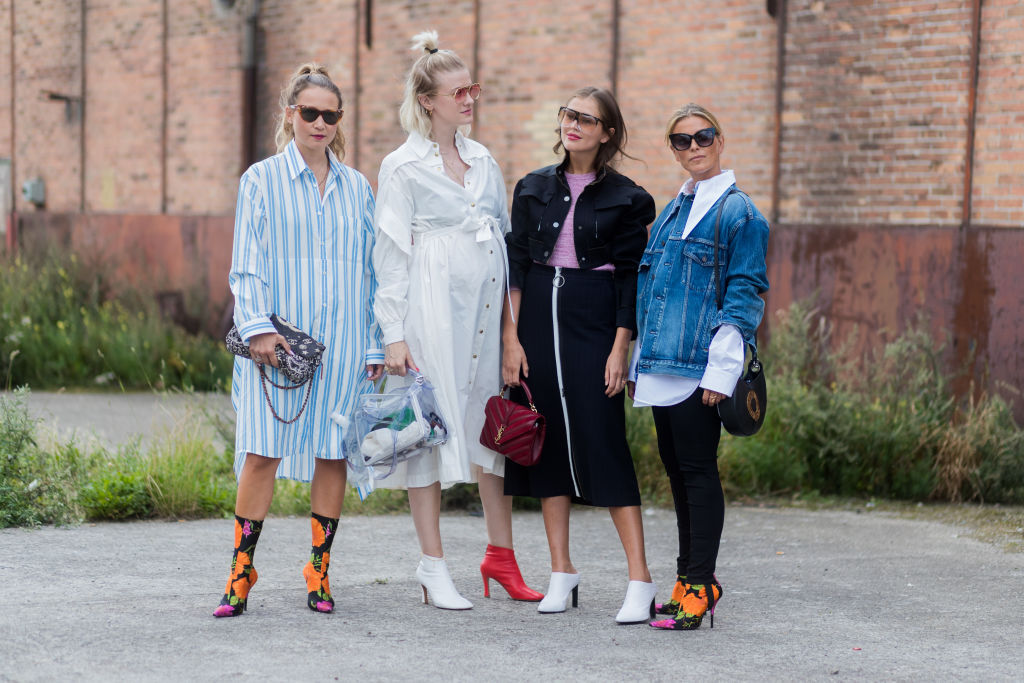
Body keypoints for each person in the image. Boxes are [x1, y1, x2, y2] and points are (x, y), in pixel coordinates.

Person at [372, 31, 543, 610]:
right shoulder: (401, 168)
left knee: (492, 428)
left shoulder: (484, 160)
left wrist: (510, 332)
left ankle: (502, 557)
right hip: (430, 317)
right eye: (458, 92)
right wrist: (393, 336)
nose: (469, 99)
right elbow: (390, 258)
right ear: (428, 101)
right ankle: (433, 566)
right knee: (428, 433)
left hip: (483, 318)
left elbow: (505, 250)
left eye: (473, 89)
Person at [214, 64, 385, 617]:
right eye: (309, 112)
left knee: (332, 454)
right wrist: (258, 330)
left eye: (330, 115)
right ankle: (241, 572)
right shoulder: (260, 180)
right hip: (279, 345)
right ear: (290, 114)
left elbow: (373, 272)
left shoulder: (357, 187)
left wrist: (376, 343)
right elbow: (246, 265)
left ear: (339, 120)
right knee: (262, 452)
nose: (319, 123)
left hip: (345, 344)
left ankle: (319, 570)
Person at [501, 87, 658, 623]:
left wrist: (621, 348)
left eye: (587, 120)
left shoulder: (628, 198)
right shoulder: (532, 187)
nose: (574, 125)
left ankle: (640, 580)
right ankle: (561, 573)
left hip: (595, 318)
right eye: (569, 115)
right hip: (538, 317)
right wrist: (511, 338)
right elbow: (516, 266)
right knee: (544, 439)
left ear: (607, 133)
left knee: (603, 441)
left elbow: (631, 277)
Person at [629, 103, 769, 631]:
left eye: (703, 136)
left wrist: (721, 370)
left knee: (698, 472)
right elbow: (652, 291)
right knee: (678, 474)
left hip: (699, 368)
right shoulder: (673, 209)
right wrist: (639, 362)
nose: (694, 147)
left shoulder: (740, 214)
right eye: (681, 140)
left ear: (720, 140)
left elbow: (744, 294)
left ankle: (701, 583)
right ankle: (687, 581)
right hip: (662, 363)